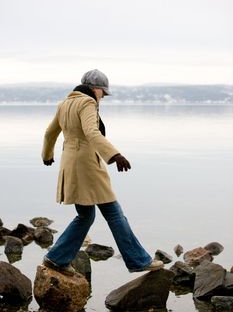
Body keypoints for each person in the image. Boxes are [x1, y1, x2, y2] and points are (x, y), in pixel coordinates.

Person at [41, 69, 164, 275]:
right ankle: (138, 260)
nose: (103, 97)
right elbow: (92, 132)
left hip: (70, 165)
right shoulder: (88, 102)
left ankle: (56, 258)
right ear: (95, 89)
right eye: (103, 93)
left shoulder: (65, 103)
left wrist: (47, 155)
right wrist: (115, 155)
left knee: (85, 216)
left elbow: (49, 132)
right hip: (88, 167)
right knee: (114, 214)